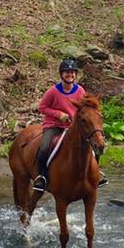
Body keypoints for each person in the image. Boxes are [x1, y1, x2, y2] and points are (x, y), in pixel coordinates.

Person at [32, 59, 107, 192]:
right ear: (61, 74)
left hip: (73, 126)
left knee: (94, 144)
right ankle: (41, 177)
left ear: (75, 75)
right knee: (44, 147)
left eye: (72, 73)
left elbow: (85, 109)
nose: (70, 75)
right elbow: (42, 107)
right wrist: (59, 114)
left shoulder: (80, 90)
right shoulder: (53, 91)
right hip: (54, 125)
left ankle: (96, 174)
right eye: (67, 73)